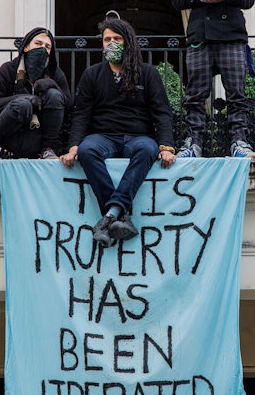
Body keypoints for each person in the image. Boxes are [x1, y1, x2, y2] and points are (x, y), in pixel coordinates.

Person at [60, 17, 177, 248]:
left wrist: (166, 146)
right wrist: (73, 147)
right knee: (87, 150)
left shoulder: (148, 73)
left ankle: (107, 218)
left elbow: (161, 112)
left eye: (117, 39)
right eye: (107, 39)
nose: (111, 43)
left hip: (138, 137)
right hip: (103, 137)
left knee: (147, 149)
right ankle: (119, 216)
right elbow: (81, 114)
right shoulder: (92, 74)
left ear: (128, 42)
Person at [171, 0, 255, 159]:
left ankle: (239, 142)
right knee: (195, 95)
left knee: (237, 94)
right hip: (201, 35)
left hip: (231, 35)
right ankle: (193, 143)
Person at [0, 27, 70, 160]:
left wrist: (53, 85)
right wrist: (28, 98)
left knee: (54, 95)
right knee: (23, 104)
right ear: (26, 47)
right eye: (38, 43)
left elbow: (68, 105)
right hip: (13, 135)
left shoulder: (55, 73)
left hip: (40, 136)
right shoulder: (9, 69)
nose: (42, 49)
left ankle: (47, 149)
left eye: (47, 47)